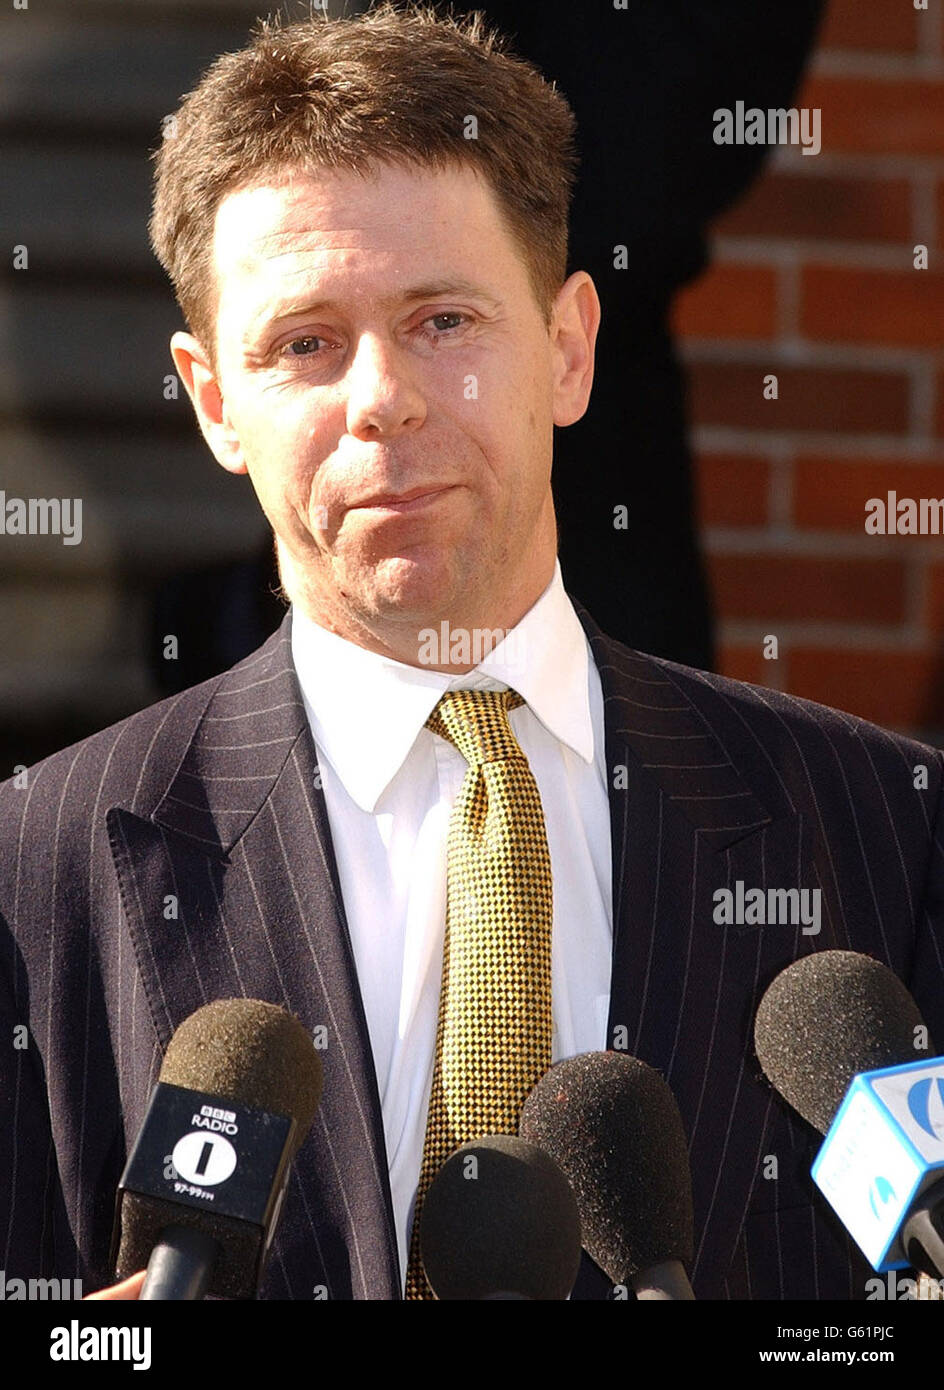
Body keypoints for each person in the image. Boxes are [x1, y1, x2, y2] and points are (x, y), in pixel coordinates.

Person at [2, 5, 942, 1302]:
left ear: (568, 348)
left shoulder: (887, 838)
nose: (380, 396)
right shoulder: (37, 871)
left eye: (443, 320)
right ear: (214, 399)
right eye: (304, 343)